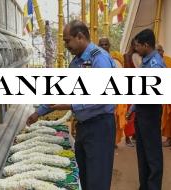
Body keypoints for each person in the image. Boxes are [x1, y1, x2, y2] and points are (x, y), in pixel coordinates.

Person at [26, 20, 117, 190]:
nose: (66, 45)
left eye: (67, 41)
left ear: (80, 37)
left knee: (98, 178)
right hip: (83, 126)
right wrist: (39, 112)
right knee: (84, 175)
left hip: (100, 126)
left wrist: (71, 106)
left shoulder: (100, 59)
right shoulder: (76, 63)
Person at [126, 29, 165, 190]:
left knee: (153, 154)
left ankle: (153, 187)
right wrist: (133, 108)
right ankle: (145, 186)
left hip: (150, 112)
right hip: (142, 112)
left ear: (146, 45)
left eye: (137, 46)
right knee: (142, 153)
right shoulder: (146, 61)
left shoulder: (156, 65)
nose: (135, 49)